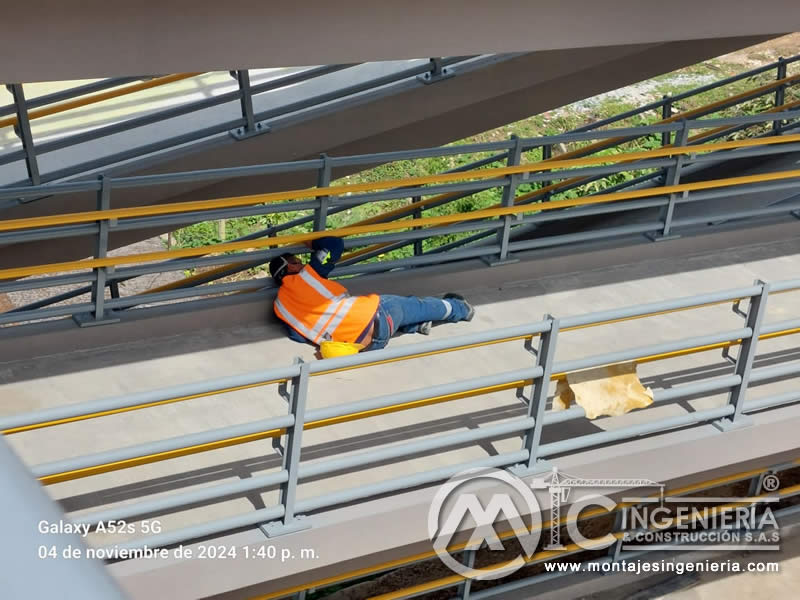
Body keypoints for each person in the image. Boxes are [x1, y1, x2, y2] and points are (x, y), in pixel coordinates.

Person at [269, 236, 474, 351]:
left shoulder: (280, 306)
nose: (302, 262)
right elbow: (335, 245)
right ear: (291, 267)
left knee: (403, 314)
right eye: (297, 260)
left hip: (364, 346)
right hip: (378, 316)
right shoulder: (308, 274)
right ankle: (459, 308)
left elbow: (297, 336)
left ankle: (414, 325)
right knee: (414, 305)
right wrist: (312, 243)